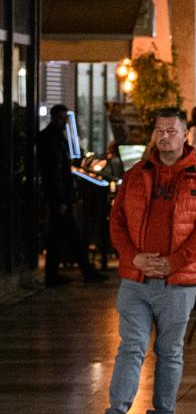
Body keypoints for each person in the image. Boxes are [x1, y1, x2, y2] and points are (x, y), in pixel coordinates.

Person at [96, 108, 196, 414]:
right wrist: (132, 256)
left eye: (172, 131)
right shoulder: (137, 175)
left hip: (177, 283)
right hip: (135, 278)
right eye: (160, 131)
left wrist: (175, 262)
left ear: (185, 136)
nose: (165, 136)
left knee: (169, 350)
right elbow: (116, 221)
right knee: (131, 347)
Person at [37, 104, 103, 287]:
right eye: (63, 118)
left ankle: (59, 274)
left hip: (58, 196)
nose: (65, 121)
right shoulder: (53, 138)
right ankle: (84, 271)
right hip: (59, 197)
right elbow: (55, 172)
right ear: (57, 118)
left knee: (59, 235)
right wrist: (61, 199)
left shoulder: (53, 137)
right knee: (67, 235)